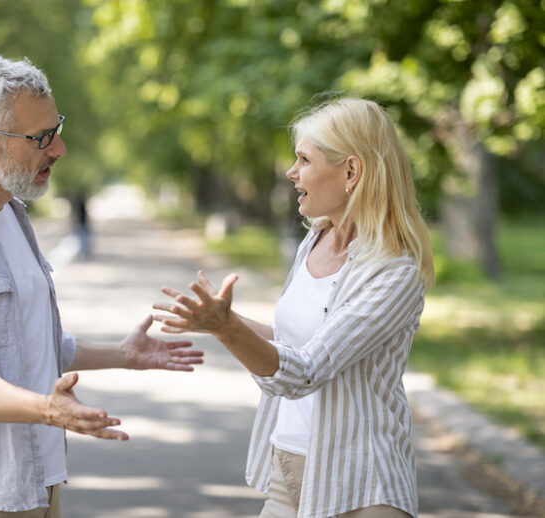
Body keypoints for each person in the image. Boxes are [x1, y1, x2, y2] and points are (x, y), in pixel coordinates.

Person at [0, 51, 203, 517]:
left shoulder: (11, 212)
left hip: (40, 479)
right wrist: (48, 410)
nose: (59, 149)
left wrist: (123, 356)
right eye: (41, 137)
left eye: (57, 129)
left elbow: (29, 345)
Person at [154, 97, 433, 518]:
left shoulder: (393, 272)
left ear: (351, 172)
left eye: (304, 159)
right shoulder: (314, 241)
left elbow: (305, 371)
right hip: (289, 468)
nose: (291, 172)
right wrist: (218, 321)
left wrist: (227, 329)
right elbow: (292, 343)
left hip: (360, 485)